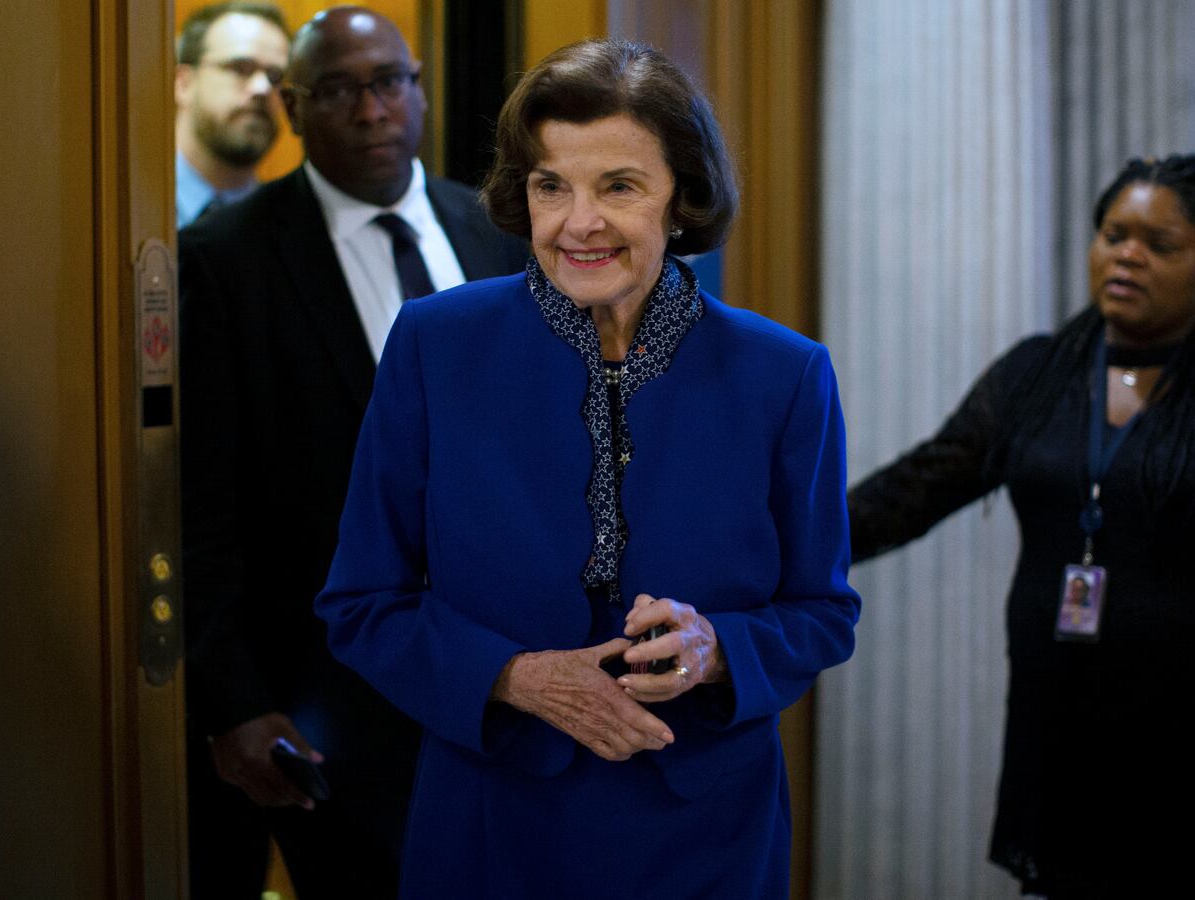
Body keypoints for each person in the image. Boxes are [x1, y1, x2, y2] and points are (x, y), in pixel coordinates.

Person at [315, 39, 860, 899]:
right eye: (550, 186)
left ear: (682, 196)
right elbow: (360, 607)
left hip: (707, 831)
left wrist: (719, 650)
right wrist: (515, 677)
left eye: (619, 186)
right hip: (490, 825)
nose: (579, 223)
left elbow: (824, 613)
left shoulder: (785, 373)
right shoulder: (433, 346)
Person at [847, 154, 1195, 898]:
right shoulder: (1040, 372)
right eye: (1114, 235)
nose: (1127, 255)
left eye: (1159, 244)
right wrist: (778, 545)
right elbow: (920, 484)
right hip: (1064, 724)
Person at [177, 7, 527, 898]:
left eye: (387, 83)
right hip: (329, 694)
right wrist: (236, 704)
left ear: (416, 88)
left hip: (506, 674)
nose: (371, 112)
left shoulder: (500, 232)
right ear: (295, 108)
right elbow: (201, 505)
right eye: (337, 90)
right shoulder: (224, 260)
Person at [175, 2, 290, 228]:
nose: (262, 88)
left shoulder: (291, 227)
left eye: (275, 77)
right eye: (240, 68)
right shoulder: (128, 210)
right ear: (184, 84)